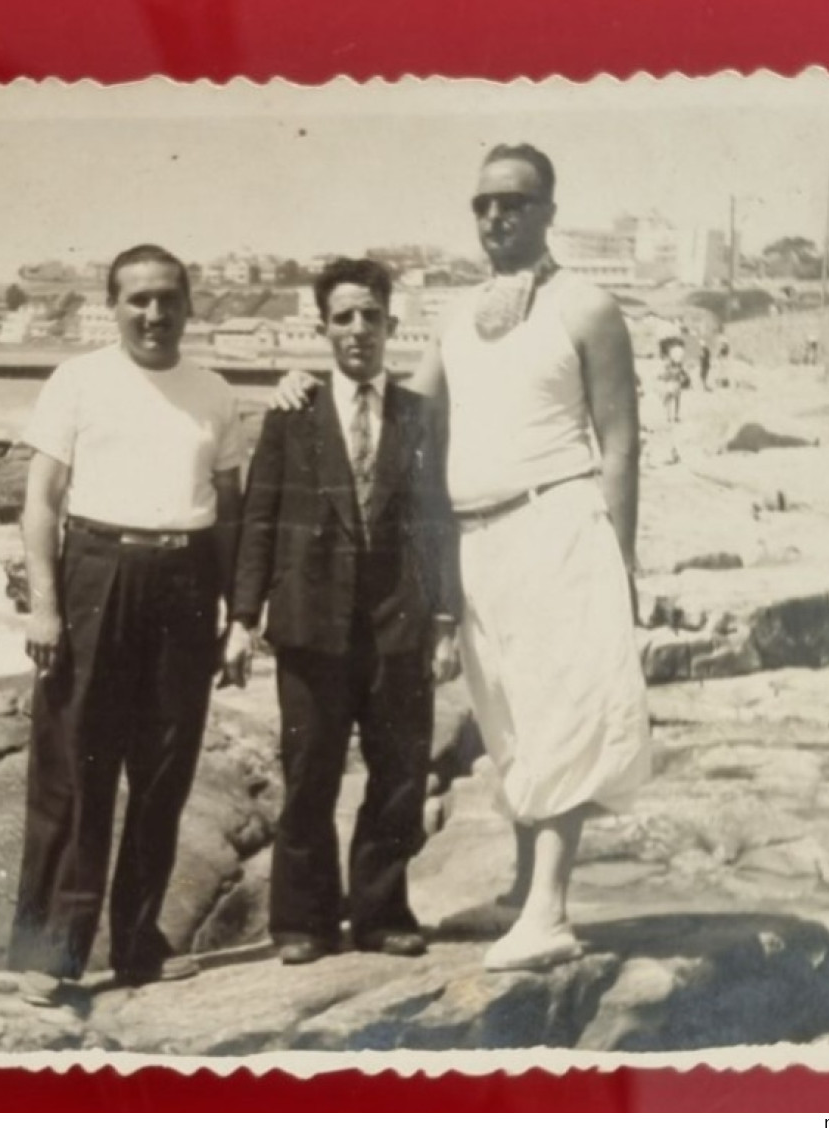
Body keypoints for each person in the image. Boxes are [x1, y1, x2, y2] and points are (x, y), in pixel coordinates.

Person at [274, 143, 651, 972]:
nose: (495, 217)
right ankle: (524, 886)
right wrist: (302, 387)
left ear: (549, 208)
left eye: (514, 202)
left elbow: (620, 444)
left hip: (559, 524)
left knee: (563, 710)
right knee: (509, 710)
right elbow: (398, 407)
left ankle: (550, 912)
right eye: (482, 203)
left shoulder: (587, 306)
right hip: (478, 542)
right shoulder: (459, 315)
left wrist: (618, 566)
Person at [7, 244, 243, 987]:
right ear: (112, 305)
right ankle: (52, 956)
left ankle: (139, 943)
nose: (154, 313)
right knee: (73, 768)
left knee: (164, 769)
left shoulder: (214, 392)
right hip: (95, 573)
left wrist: (239, 616)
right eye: (138, 298)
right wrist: (45, 606)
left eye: (168, 298)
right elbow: (40, 500)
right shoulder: (78, 380)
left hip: (186, 578)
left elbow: (231, 516)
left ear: (189, 305)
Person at [222, 258, 461, 966]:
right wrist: (241, 617)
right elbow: (260, 520)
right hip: (309, 625)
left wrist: (444, 621)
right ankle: (303, 920)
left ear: (392, 323)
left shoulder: (421, 418)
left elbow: (438, 523)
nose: (359, 330)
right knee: (311, 774)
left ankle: (382, 912)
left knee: (397, 776)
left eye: (372, 316)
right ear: (322, 327)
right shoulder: (293, 413)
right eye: (343, 317)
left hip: (397, 626)